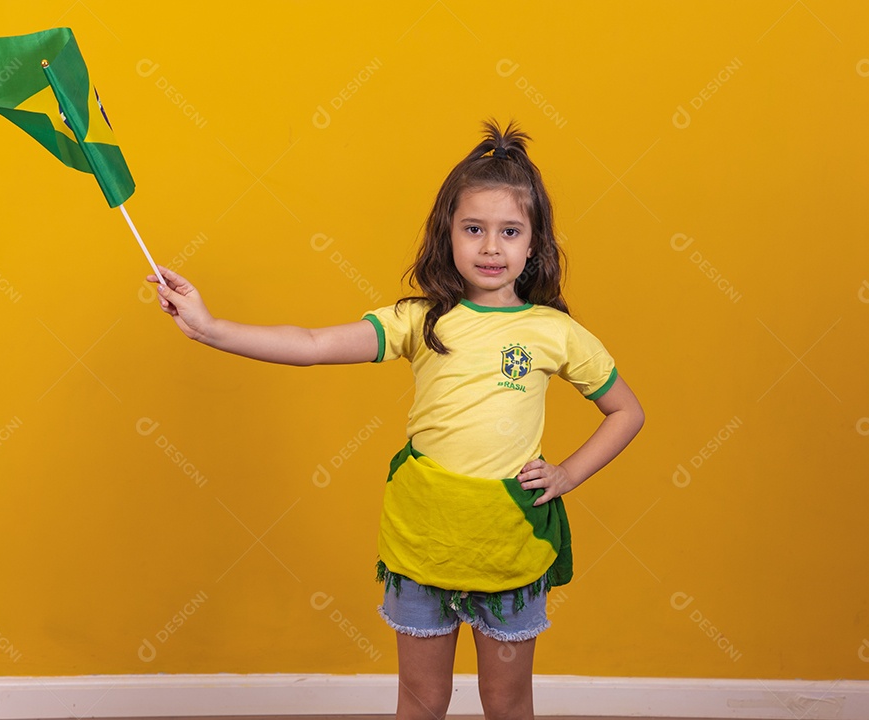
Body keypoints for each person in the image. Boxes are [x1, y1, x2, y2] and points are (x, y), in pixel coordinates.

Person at [149, 120, 644, 720]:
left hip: (507, 544)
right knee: (421, 699)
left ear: (534, 243)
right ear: (447, 234)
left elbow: (626, 411)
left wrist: (567, 474)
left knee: (507, 701)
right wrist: (211, 328)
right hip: (422, 541)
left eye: (510, 231)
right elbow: (312, 344)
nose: (491, 247)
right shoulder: (419, 319)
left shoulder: (555, 331)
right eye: (474, 229)